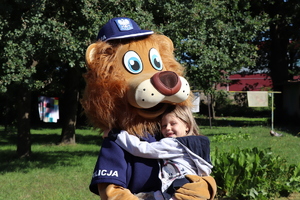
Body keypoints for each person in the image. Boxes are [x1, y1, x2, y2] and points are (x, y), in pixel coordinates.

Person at [107, 105, 214, 200]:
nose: (168, 128)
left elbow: (142, 149)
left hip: (178, 188)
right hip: (189, 188)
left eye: (173, 123)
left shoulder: (175, 144)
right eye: (163, 126)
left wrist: (116, 135)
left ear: (187, 126)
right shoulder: (196, 144)